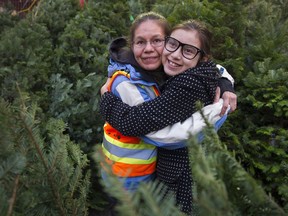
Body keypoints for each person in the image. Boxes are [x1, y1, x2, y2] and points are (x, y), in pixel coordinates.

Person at [99, 12, 237, 214]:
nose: (149, 49)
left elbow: (160, 133)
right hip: (128, 181)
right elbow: (150, 129)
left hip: (161, 178)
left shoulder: (178, 75)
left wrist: (225, 85)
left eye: (157, 41)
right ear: (132, 45)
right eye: (140, 42)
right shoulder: (128, 81)